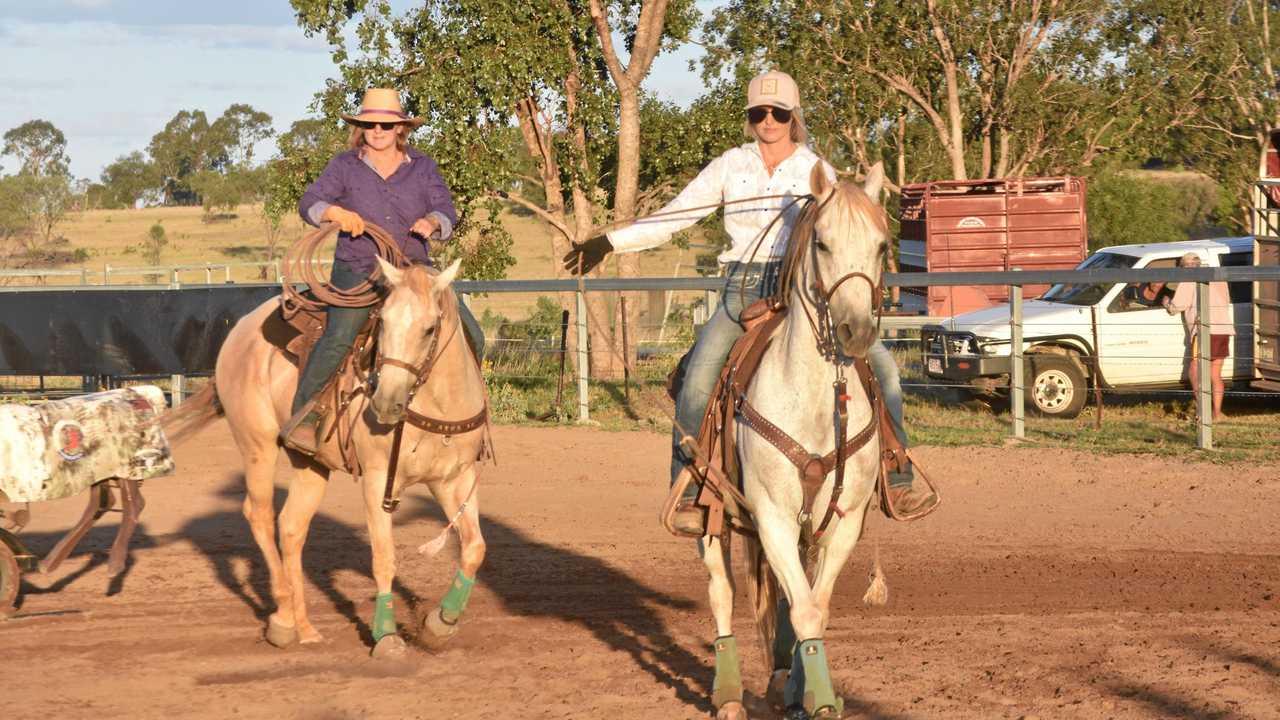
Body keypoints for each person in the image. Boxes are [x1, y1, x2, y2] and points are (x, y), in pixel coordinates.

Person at [562, 70, 935, 533]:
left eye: (778, 113)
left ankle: (895, 476)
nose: (769, 121)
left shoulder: (816, 170)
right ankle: (691, 488)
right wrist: (610, 242)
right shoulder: (729, 165)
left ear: (793, 116)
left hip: (802, 289)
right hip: (741, 290)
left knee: (884, 369)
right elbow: (678, 214)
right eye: (760, 112)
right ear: (750, 117)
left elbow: (844, 235)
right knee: (698, 379)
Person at [281, 88, 483, 453]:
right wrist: (335, 213)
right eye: (370, 124)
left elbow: (446, 210)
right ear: (361, 128)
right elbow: (310, 201)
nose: (377, 131)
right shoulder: (344, 165)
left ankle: (470, 422)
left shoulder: (423, 167)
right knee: (340, 335)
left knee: (472, 334)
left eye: (386, 126)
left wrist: (431, 222)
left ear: (400, 130)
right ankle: (305, 416)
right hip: (360, 266)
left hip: (414, 268)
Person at [1163, 251, 1233, 421]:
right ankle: (1217, 412)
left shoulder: (1188, 279)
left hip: (1204, 329)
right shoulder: (1219, 278)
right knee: (1215, 374)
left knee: (1194, 370)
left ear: (1185, 266)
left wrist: (1166, 302)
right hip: (1223, 328)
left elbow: (1177, 305)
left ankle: (1203, 408)